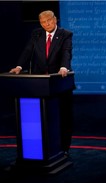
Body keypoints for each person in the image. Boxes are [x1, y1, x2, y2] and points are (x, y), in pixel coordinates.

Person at [10, 10, 74, 155]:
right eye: (43, 22)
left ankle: (64, 148)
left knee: (64, 117)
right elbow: (28, 50)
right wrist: (19, 66)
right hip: (39, 84)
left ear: (55, 20)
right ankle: (43, 148)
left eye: (49, 21)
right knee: (42, 117)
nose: (46, 24)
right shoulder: (37, 34)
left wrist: (64, 67)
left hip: (60, 83)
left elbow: (66, 52)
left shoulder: (65, 34)